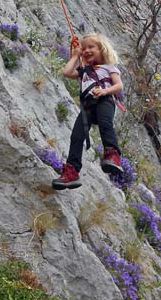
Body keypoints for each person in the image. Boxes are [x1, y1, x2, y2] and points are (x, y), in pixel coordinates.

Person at [52, 33, 124, 190]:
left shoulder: (109, 67)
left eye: (91, 47)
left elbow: (119, 86)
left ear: (101, 49)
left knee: (106, 124)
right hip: (87, 107)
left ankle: (112, 155)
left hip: (105, 101)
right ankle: (71, 171)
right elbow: (66, 72)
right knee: (77, 136)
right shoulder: (84, 71)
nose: (86, 51)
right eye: (84, 48)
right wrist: (76, 55)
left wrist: (105, 92)